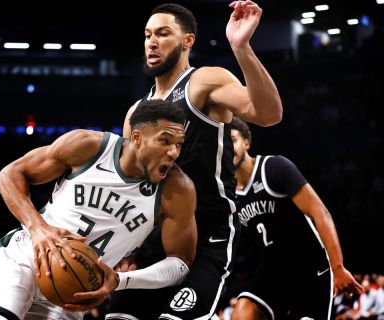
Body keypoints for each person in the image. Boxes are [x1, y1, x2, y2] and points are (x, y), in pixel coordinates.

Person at [0, 99, 198, 320]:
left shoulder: (177, 190)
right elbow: (9, 175)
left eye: (178, 144)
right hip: (27, 257)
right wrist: (38, 228)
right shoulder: (89, 147)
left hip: (73, 289)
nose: (173, 152)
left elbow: (180, 263)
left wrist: (119, 281)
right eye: (165, 142)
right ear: (136, 138)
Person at [106, 1, 282, 320]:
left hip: (208, 234)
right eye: (147, 35)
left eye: (163, 33)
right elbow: (130, 188)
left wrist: (241, 48)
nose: (152, 42)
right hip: (155, 241)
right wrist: (124, 248)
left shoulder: (204, 81)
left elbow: (269, 114)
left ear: (188, 41)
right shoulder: (136, 112)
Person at [228, 117, 363, 320]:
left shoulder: (274, 168)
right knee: (243, 311)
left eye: (232, 140)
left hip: (310, 268)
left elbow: (321, 213)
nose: (228, 148)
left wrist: (338, 267)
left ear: (246, 142)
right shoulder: (227, 197)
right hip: (272, 272)